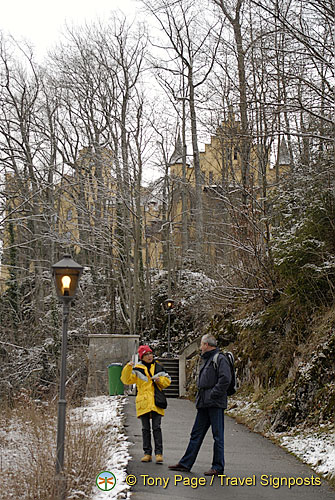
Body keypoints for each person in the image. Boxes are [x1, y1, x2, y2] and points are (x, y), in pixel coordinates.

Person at [169, 334, 231, 476]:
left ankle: (218, 467)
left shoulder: (219, 358)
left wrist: (214, 394)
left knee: (218, 436)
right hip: (204, 402)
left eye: (202, 344)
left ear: (207, 345)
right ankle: (186, 463)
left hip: (214, 403)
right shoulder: (209, 359)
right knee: (196, 433)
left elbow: (225, 379)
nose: (201, 347)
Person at [121, 345, 171, 463]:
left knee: (157, 428)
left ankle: (159, 453)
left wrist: (160, 380)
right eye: (146, 354)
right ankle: (147, 453)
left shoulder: (159, 367)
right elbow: (126, 380)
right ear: (142, 357)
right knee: (145, 429)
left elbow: (168, 381)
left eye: (150, 353)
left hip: (156, 401)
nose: (149, 356)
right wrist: (128, 368)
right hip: (143, 402)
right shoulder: (137, 368)